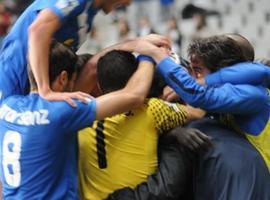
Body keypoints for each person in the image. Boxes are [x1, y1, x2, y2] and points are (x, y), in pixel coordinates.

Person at [0, 40, 156, 199]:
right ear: (63, 78)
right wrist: (148, 55)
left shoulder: (7, 106)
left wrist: (135, 44)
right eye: (74, 80)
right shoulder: (61, 112)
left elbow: (91, 67)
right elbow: (134, 96)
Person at [78, 50, 209, 200]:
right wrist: (181, 88)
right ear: (138, 80)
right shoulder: (152, 110)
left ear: (99, 85)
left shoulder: (78, 116)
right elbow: (198, 111)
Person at [136, 34, 270, 170]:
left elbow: (198, 100)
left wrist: (155, 54)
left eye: (198, 70)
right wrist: (174, 132)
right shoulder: (232, 86)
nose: (193, 76)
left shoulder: (251, 95)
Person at [2, 0, 167, 106]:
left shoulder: (88, 14)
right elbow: (38, 29)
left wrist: (134, 44)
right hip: (12, 84)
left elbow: (91, 67)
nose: (129, 3)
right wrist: (45, 91)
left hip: (35, 95)